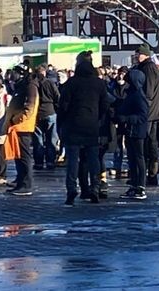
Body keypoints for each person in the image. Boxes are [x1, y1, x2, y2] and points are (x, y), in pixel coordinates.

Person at [58, 52, 113, 205]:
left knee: (73, 161)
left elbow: (63, 106)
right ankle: (94, 187)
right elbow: (105, 105)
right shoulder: (99, 84)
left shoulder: (71, 83)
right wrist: (98, 119)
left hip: (72, 126)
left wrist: (61, 124)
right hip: (92, 126)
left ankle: (71, 189)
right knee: (93, 159)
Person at [131, 46, 159, 186]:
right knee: (150, 143)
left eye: (138, 53)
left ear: (144, 55)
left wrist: (142, 105)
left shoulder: (148, 68)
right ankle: (150, 174)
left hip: (149, 112)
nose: (136, 56)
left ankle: (149, 174)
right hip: (152, 111)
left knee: (147, 144)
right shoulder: (149, 67)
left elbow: (148, 91)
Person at [3, 64, 40, 197]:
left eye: (16, 73)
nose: (13, 75)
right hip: (17, 126)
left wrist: (16, 119)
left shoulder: (30, 86)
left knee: (24, 156)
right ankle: (20, 181)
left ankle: (26, 184)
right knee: (19, 156)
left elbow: (29, 108)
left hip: (23, 126)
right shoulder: (21, 86)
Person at [117, 69, 150, 199]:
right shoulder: (132, 94)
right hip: (131, 131)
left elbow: (143, 116)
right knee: (132, 159)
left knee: (138, 158)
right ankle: (134, 185)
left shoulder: (138, 95)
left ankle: (140, 186)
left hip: (137, 131)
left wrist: (126, 118)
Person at [33, 65, 61, 171]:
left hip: (37, 113)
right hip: (50, 112)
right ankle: (50, 162)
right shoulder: (50, 83)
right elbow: (57, 97)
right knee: (51, 139)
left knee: (38, 140)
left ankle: (39, 163)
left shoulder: (33, 84)